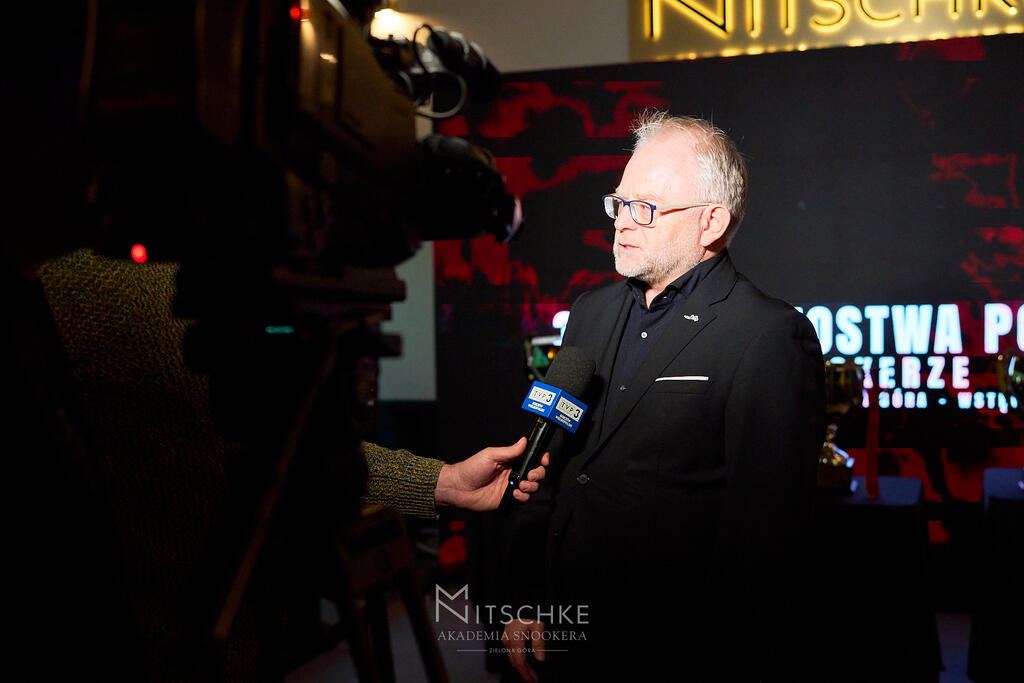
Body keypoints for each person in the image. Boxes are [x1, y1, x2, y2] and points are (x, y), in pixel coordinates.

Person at [501, 111, 825, 681]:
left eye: (645, 208)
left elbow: (764, 535)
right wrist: (526, 598)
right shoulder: (589, 313)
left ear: (710, 222)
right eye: (619, 203)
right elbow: (548, 464)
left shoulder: (768, 335)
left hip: (676, 648)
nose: (622, 223)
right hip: (565, 631)